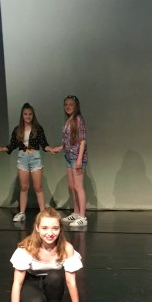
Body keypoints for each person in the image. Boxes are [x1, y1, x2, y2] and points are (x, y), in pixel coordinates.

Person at [2, 208, 93, 302]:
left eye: (55, 228)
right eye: (45, 228)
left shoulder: (67, 248)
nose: (50, 233)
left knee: (55, 276)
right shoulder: (26, 248)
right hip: (31, 281)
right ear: (37, 228)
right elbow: (17, 284)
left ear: (60, 229)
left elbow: (71, 282)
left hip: (53, 284)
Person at [4, 103, 54, 223]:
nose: (28, 116)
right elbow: (12, 145)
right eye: (25, 114)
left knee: (38, 187)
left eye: (30, 114)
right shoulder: (18, 129)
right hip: (23, 158)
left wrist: (50, 149)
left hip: (35, 157)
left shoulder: (38, 128)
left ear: (33, 115)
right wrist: (2, 148)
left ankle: (42, 214)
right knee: (24, 187)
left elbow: (44, 144)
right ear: (22, 115)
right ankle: (22, 213)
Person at [52, 95, 89, 229]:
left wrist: (79, 158)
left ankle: (82, 217)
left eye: (71, 104)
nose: (68, 107)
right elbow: (68, 140)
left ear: (76, 106)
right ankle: (76, 212)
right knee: (72, 186)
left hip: (76, 157)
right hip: (68, 156)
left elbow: (82, 140)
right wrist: (60, 148)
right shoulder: (68, 120)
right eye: (66, 104)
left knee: (78, 187)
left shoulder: (78, 120)